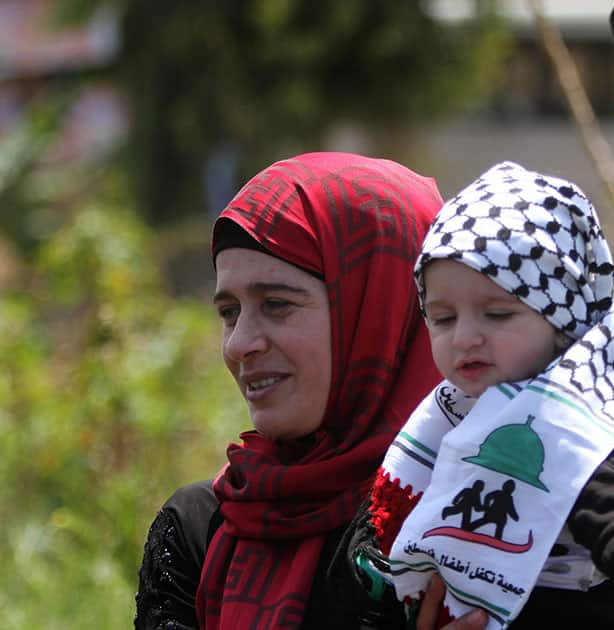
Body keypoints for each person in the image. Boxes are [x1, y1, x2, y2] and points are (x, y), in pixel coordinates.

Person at [342, 161, 614, 629]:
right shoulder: (449, 411)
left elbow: (609, 505)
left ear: (564, 324)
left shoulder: (569, 415)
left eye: (496, 314)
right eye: (443, 318)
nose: (465, 337)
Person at [134, 152, 487, 629]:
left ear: (383, 311)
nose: (239, 344)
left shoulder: (492, 524)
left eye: (276, 304)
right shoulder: (201, 531)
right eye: (229, 312)